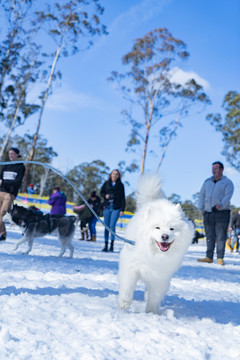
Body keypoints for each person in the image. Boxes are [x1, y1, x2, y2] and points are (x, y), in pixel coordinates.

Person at [197, 161, 234, 265]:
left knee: (221, 236)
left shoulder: (227, 182)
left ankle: (220, 258)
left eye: (216, 168)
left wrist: (221, 204)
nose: (213, 170)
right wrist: (201, 209)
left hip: (222, 213)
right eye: (212, 168)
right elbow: (201, 195)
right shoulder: (207, 182)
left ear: (221, 169)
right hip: (208, 213)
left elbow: (228, 195)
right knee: (209, 235)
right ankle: (209, 257)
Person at [0, 147, 25, 241]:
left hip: (10, 194)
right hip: (1, 192)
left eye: (13, 153)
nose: (10, 155)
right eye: (9, 153)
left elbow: (17, 182)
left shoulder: (20, 167)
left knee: (2, 213)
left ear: (17, 155)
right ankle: (3, 234)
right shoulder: (6, 165)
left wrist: (3, 183)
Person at [100, 169, 125, 252]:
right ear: (111, 175)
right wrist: (105, 196)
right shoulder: (106, 183)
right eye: (113, 174)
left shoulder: (121, 185)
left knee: (112, 226)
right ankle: (106, 245)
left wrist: (122, 209)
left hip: (116, 208)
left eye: (116, 174)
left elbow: (123, 198)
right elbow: (101, 192)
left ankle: (112, 245)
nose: (115, 175)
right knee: (106, 226)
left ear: (119, 176)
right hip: (107, 207)